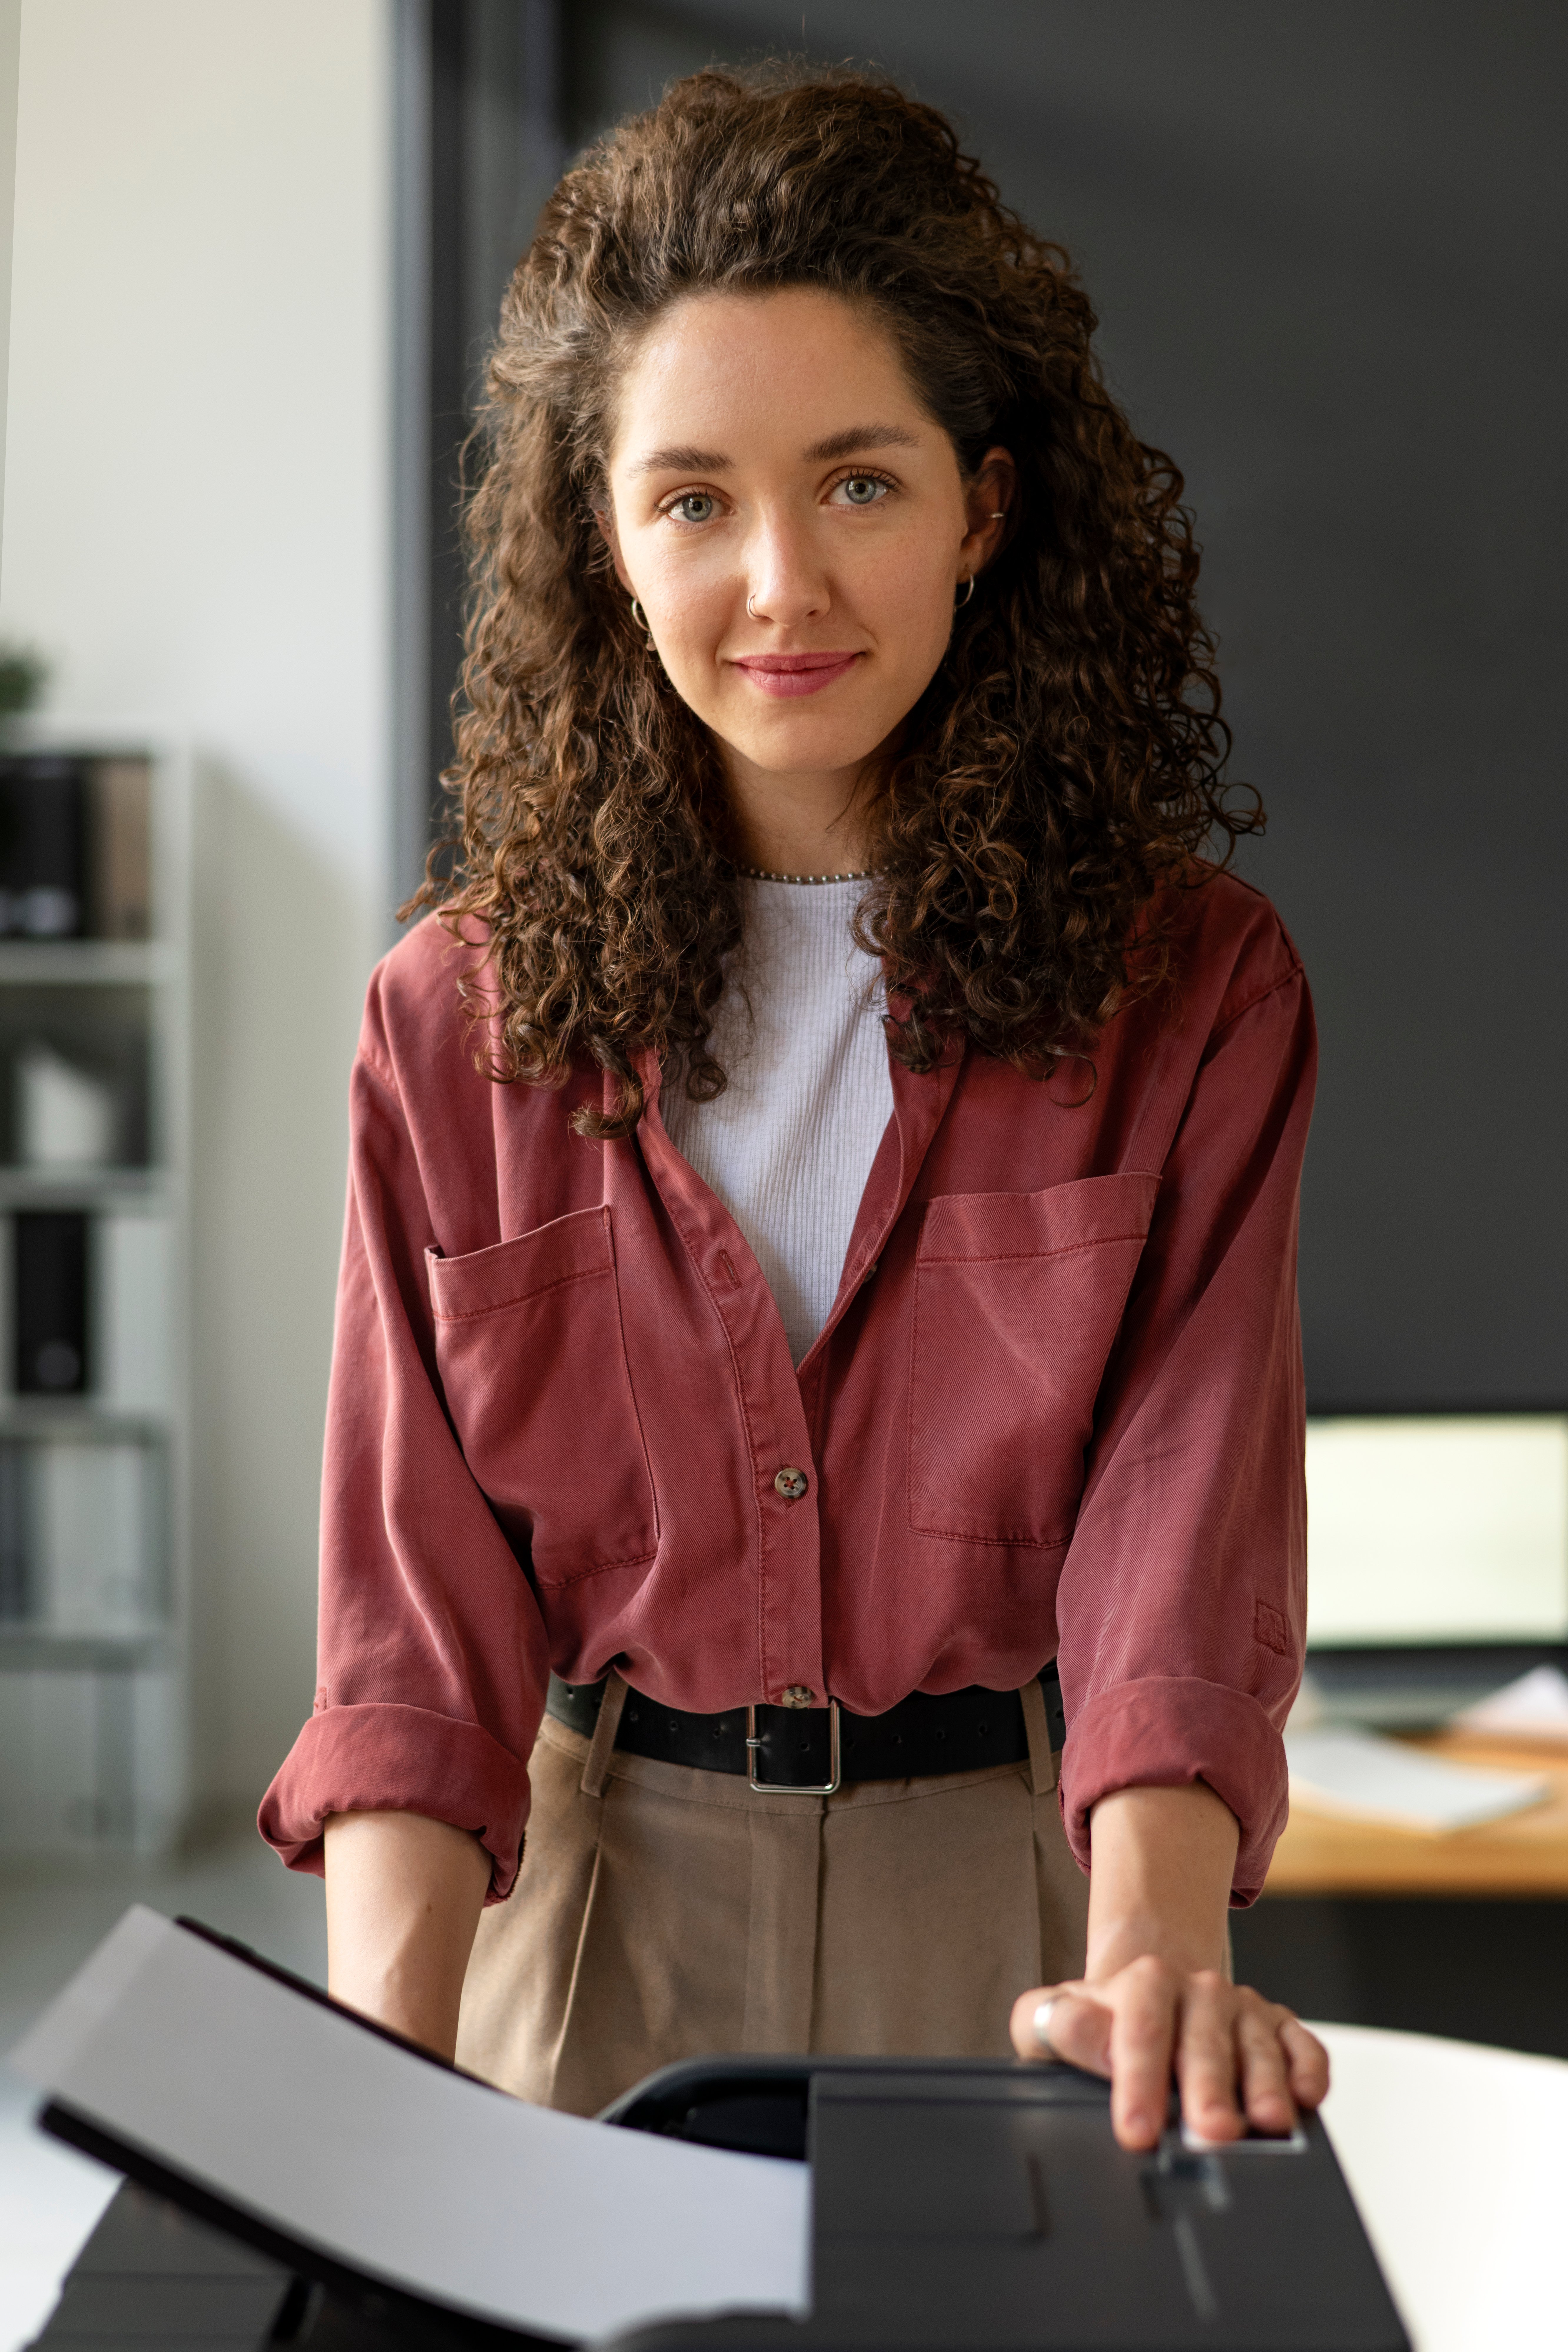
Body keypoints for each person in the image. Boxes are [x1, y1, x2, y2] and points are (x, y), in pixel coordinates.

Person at [260, 64, 1327, 2156]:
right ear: (605, 531)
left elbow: (1181, 1532)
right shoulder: (450, 1023)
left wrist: (1153, 1951)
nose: (779, 585)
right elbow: (417, 1619)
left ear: (982, 504)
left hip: (1024, 1911)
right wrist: (370, 2081)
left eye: (856, 483)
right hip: (581, 1923)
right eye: (693, 499)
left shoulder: (1194, 988)